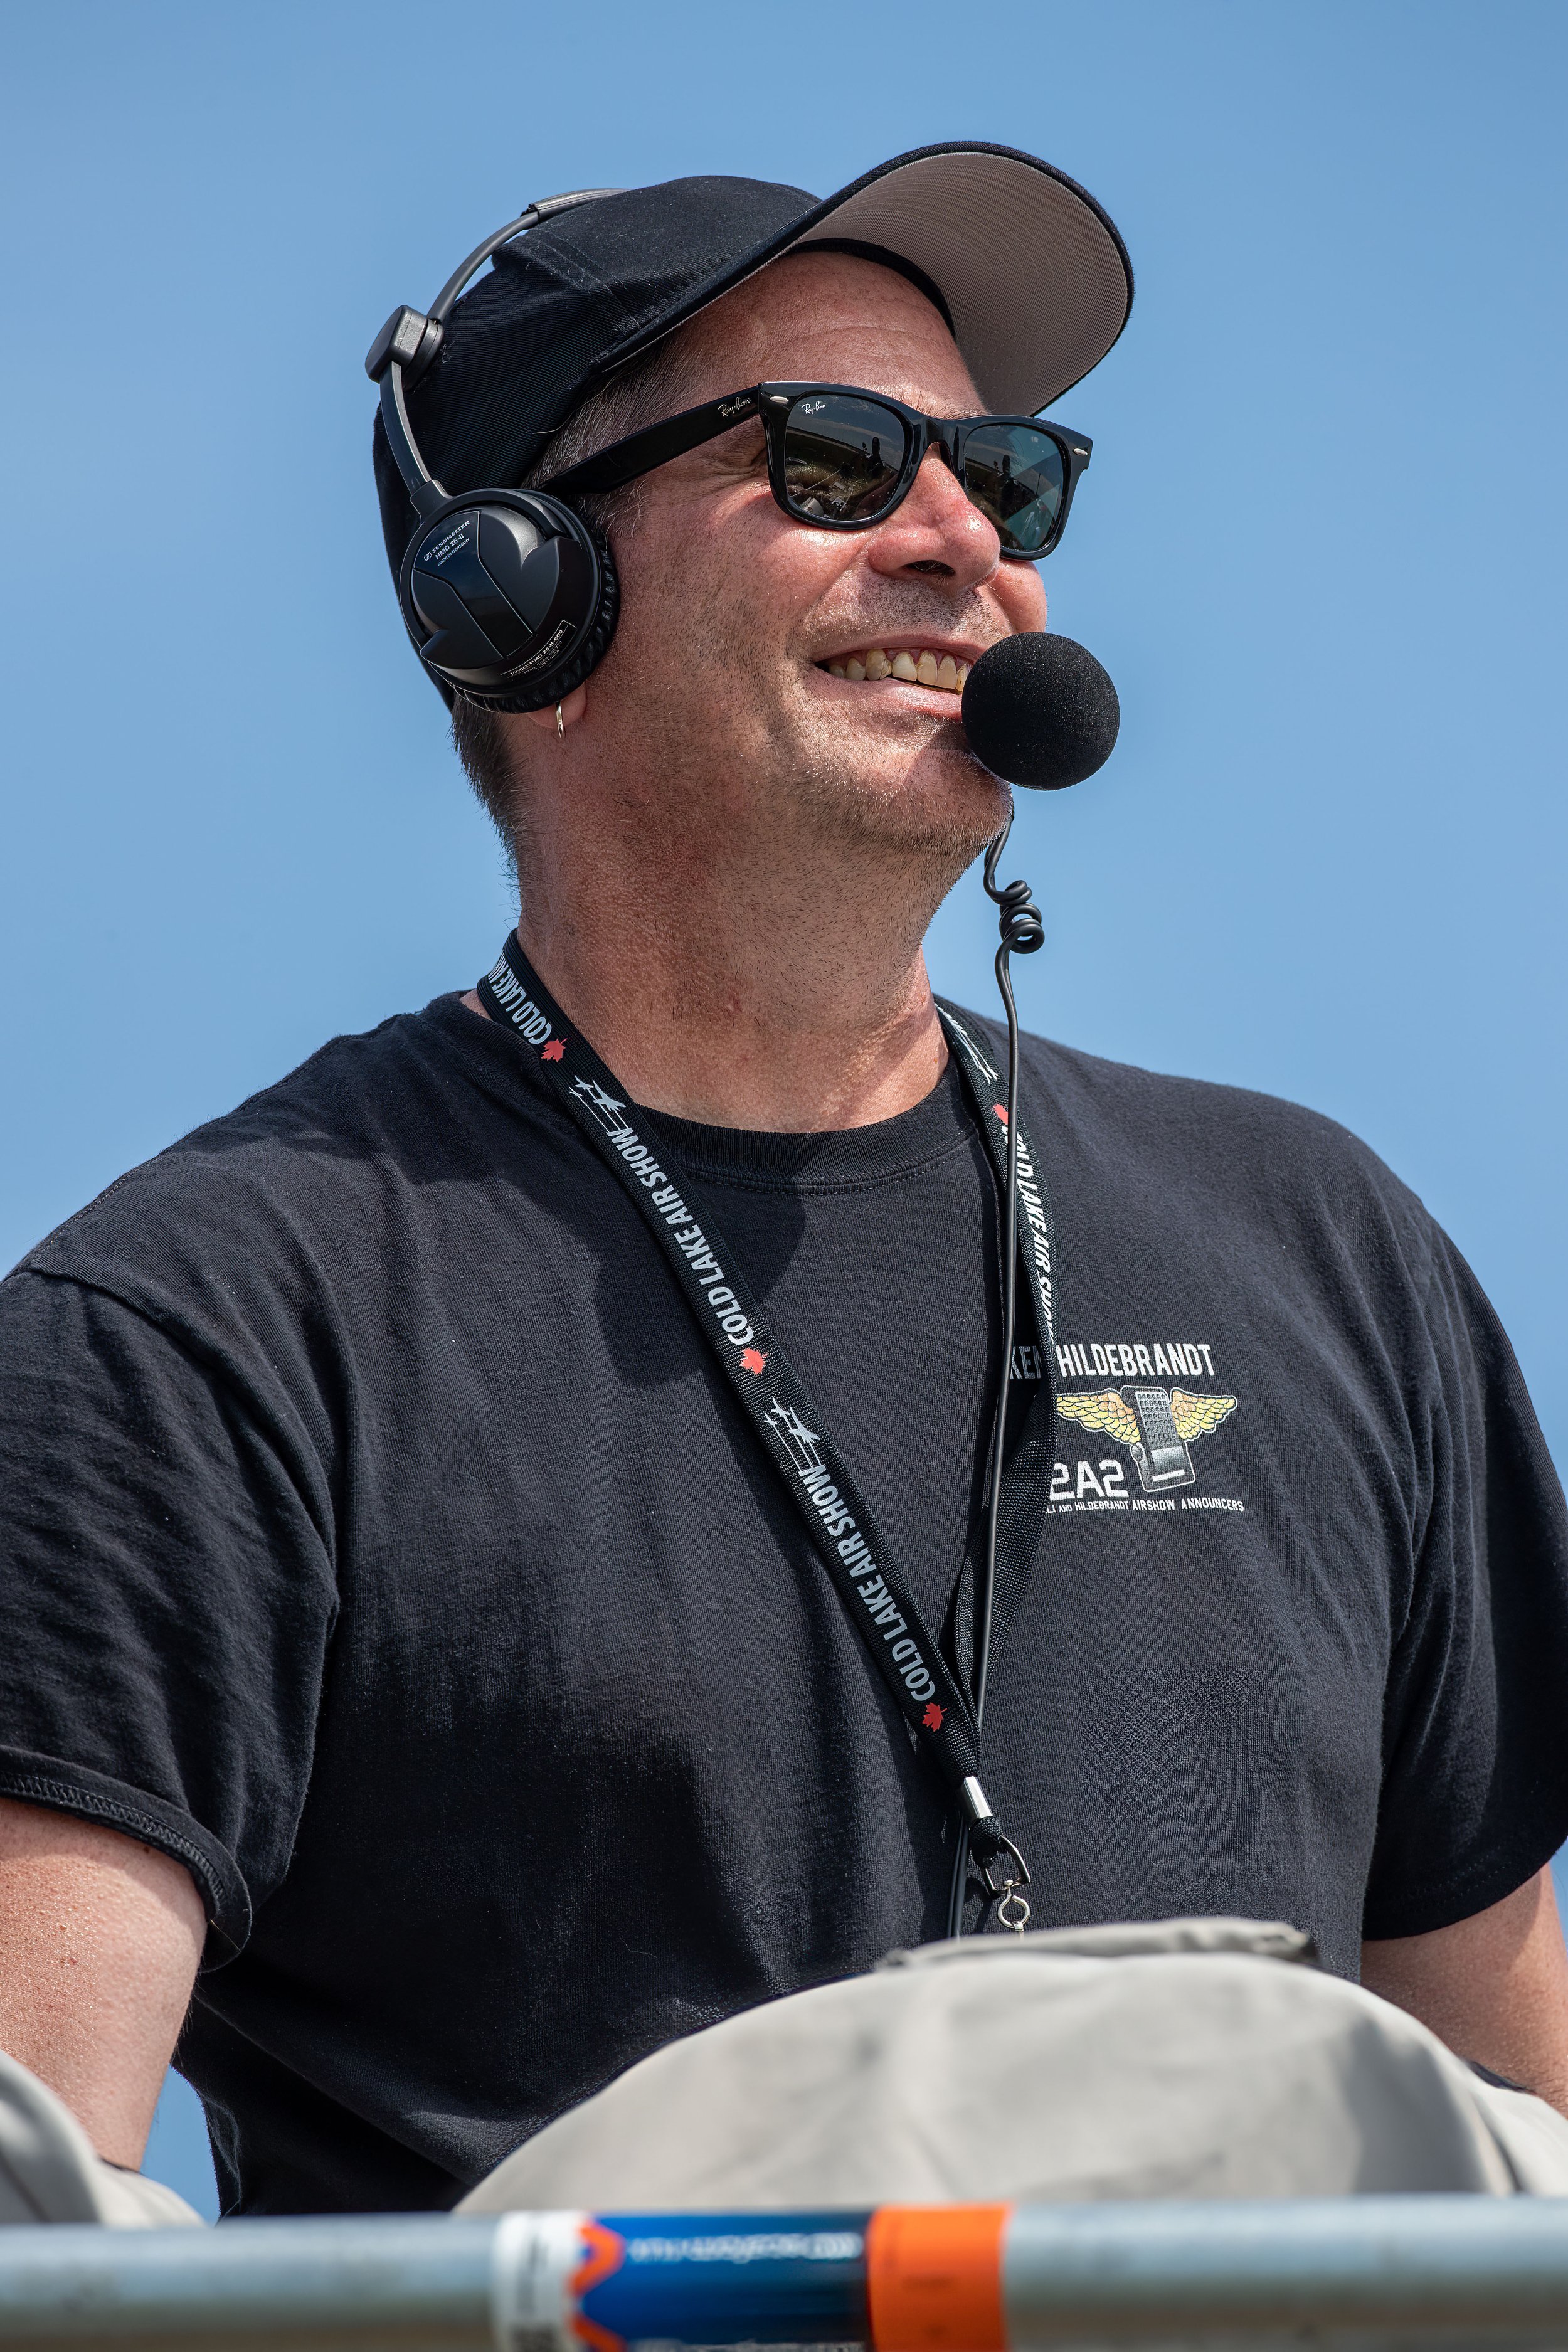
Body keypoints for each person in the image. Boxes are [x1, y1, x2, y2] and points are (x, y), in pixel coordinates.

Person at [1, 145, 1567, 2223]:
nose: (960, 542)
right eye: (833, 460)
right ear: (518, 588)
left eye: (1005, 478)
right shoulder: (195, 1331)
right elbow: (36, 2208)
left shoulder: (1320, 1246)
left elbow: (1512, 2130)